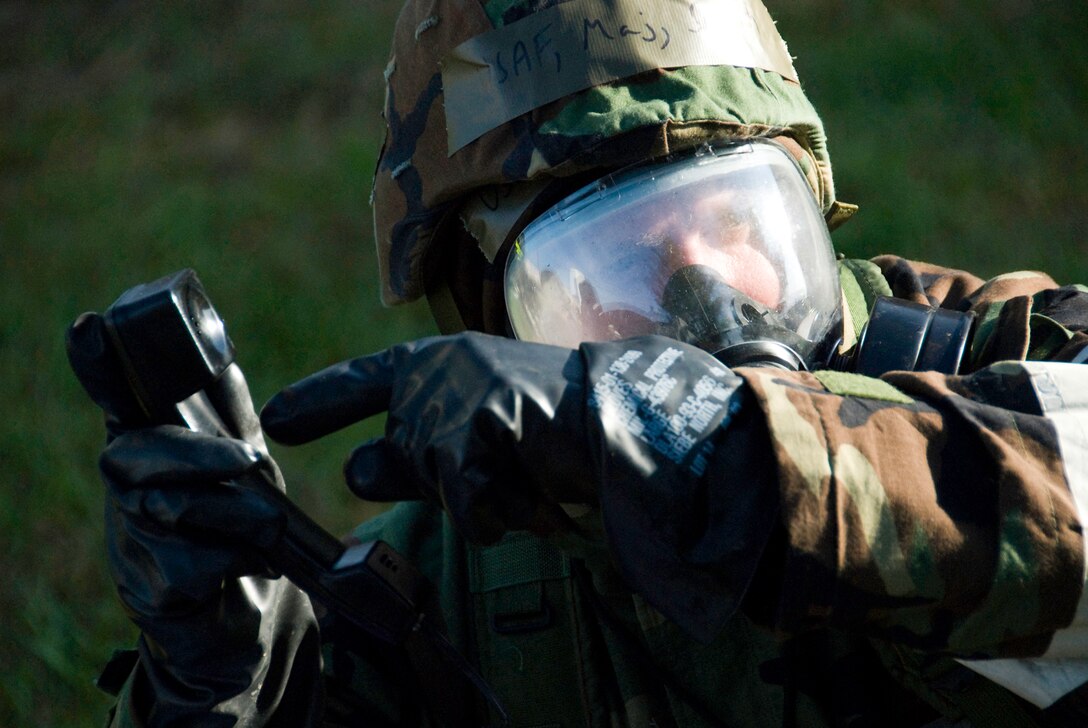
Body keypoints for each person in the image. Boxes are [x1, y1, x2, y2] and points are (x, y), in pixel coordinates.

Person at [68, 1, 1088, 726]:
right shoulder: (443, 580)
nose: (701, 285)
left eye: (735, 215)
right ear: (492, 322)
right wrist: (228, 683)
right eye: (615, 257)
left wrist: (724, 458)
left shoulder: (1001, 356)